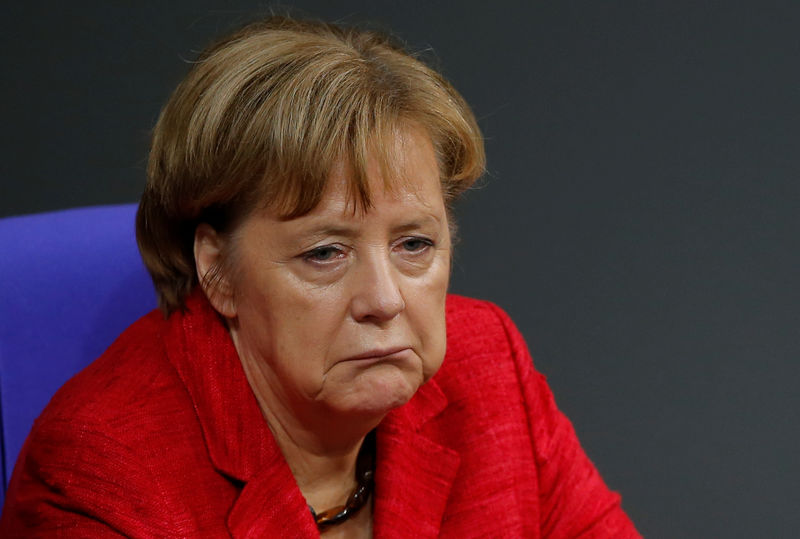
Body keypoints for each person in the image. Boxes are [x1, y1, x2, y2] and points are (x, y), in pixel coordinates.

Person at [0, 15, 640, 538]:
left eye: (414, 244)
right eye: (325, 253)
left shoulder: (488, 368)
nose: (385, 300)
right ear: (217, 270)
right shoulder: (100, 474)